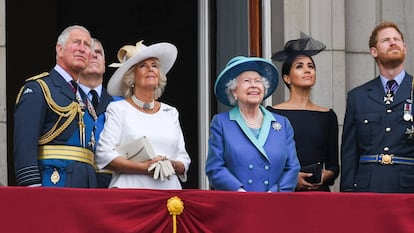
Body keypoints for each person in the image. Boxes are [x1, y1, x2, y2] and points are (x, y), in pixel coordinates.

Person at [95, 40, 191, 189]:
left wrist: (169, 164)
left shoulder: (170, 112)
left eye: (154, 65)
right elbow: (104, 155)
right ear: (131, 78)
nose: (150, 69)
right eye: (143, 66)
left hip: (169, 196)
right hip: (130, 193)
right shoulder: (118, 109)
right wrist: (145, 168)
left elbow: (184, 160)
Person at [13, 25, 98, 187]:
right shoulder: (40, 88)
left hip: (87, 185)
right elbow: (25, 143)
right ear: (59, 49)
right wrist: (31, 186)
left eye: (86, 45)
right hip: (54, 181)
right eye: (76, 43)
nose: (82, 49)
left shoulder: (85, 97)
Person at [205, 56, 300, 192]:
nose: (254, 85)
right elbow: (215, 167)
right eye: (247, 81)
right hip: (237, 203)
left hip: (275, 203)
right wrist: (239, 191)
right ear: (234, 91)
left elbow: (292, 167)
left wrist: (275, 192)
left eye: (258, 81)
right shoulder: (222, 123)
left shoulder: (282, 123)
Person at [341, 21, 414, 193]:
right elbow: (349, 152)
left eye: (397, 39)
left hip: (408, 189)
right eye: (386, 40)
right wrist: (348, 193)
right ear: (374, 51)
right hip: (368, 188)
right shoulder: (357, 97)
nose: (393, 42)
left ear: (405, 47)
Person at [267, 37, 340, 192]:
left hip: (319, 195)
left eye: (311, 66)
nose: (307, 70)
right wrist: (291, 178)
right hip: (284, 193)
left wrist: (323, 176)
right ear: (287, 78)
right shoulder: (271, 114)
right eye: (299, 66)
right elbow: (266, 161)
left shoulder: (328, 115)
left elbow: (334, 166)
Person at [78, 38, 114, 188]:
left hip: (112, 182)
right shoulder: (65, 99)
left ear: (104, 64)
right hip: (76, 181)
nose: (94, 55)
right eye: (89, 52)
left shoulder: (120, 104)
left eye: (98, 52)